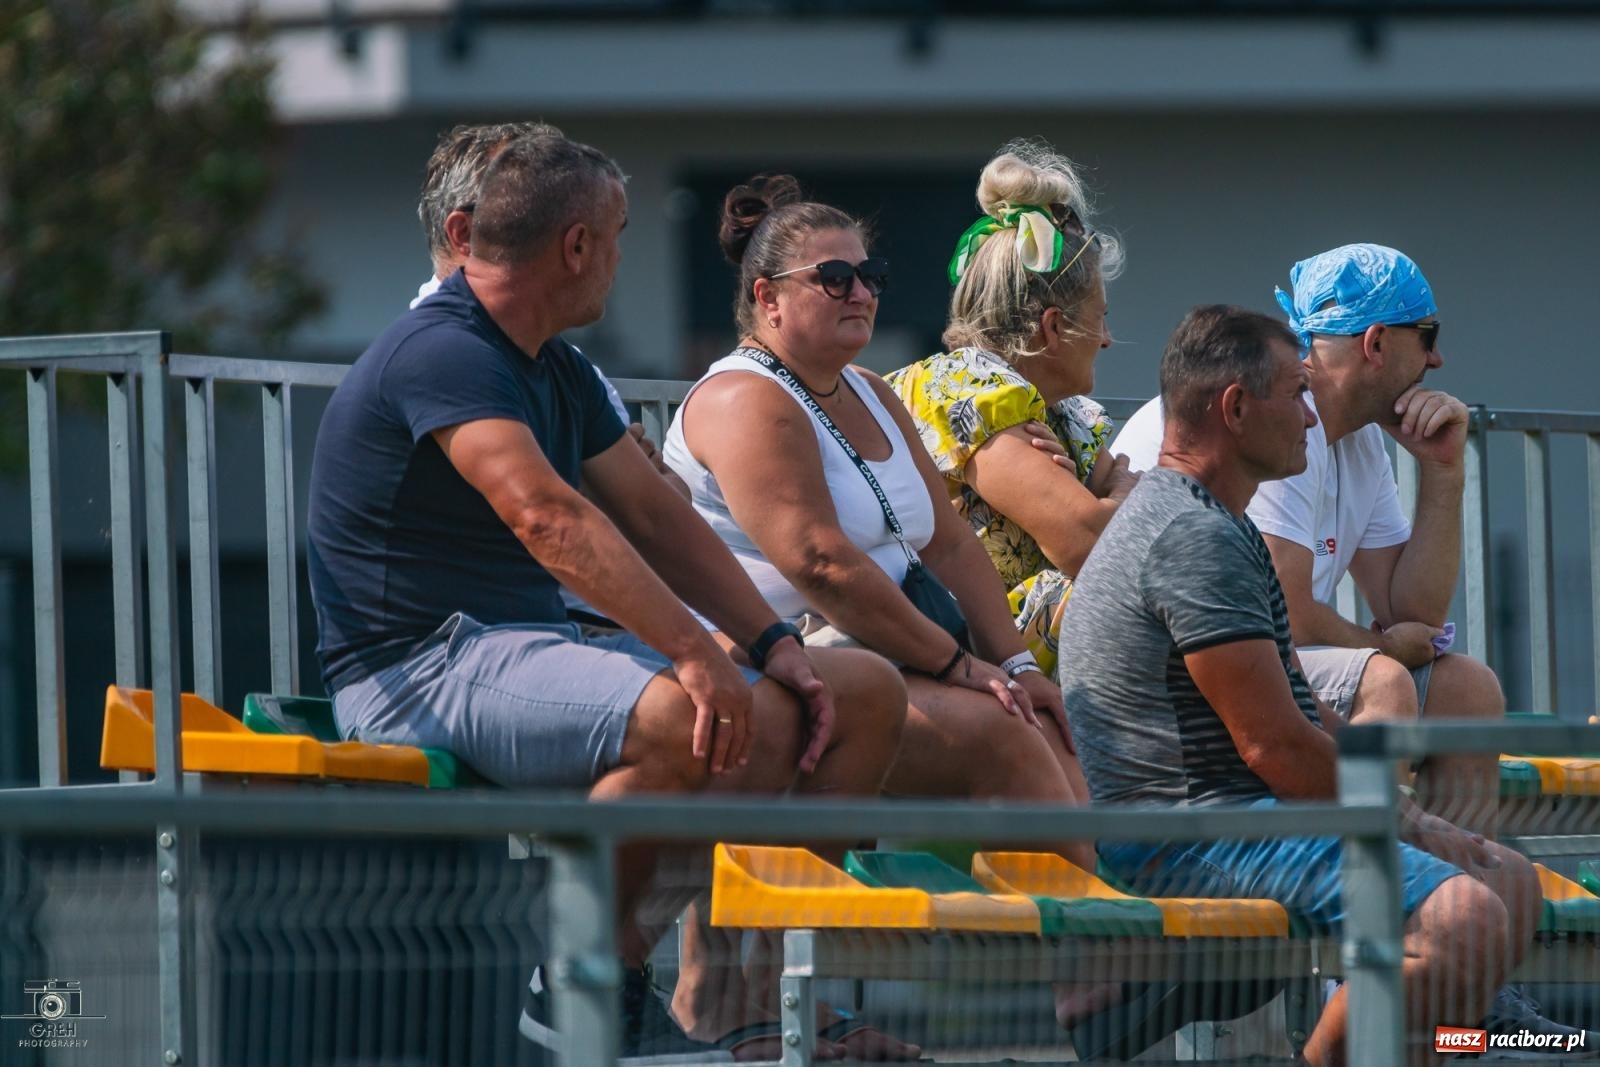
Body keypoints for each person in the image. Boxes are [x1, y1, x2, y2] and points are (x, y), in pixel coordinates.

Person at [305, 132, 907, 1061]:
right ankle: (583, 971)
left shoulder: (553, 362)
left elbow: (658, 519)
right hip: (416, 664)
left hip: (517, 646)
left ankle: (748, 999)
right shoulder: (443, 350)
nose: (623, 260)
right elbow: (547, 517)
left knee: (849, 693)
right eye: (618, 237)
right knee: (684, 715)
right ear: (577, 247)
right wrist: (697, 653)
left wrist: (767, 641)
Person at [1061, 304, 1591, 1064]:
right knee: (1465, 911)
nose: (1313, 417)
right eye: (1294, 393)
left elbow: (1304, 717)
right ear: (1236, 410)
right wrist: (1412, 824)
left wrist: (1420, 820)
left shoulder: (1225, 524)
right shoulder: (1193, 537)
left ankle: (1456, 1048)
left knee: (1506, 877)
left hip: (1241, 817)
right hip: (1184, 838)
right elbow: (1274, 746)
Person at [663, 173, 1105, 1037]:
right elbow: (818, 562)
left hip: (867, 655)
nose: (861, 291)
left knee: (1044, 724)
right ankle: (1098, 991)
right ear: (767, 299)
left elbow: (946, 543)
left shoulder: (869, 391)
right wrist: (962, 666)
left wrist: (1013, 659)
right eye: (834, 278)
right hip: (770, 663)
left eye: (871, 275)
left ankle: (765, 1001)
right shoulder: (743, 396)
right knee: (1005, 740)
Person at [1110, 244, 1505, 839]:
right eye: (1427, 335)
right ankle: (1384, 897)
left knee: (1468, 690)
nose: (1439, 357)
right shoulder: (1281, 420)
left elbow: (1412, 616)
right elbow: (1288, 617)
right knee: (1383, 682)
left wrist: (1444, 472)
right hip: (1176, 673)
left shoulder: (1359, 437)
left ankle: (1454, 878)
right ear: (1375, 343)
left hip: (1259, 657)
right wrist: (1390, 653)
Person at [887, 141, 1138, 681]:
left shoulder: (1067, 416)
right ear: (1053, 327)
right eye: (1101, 320)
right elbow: (1094, 550)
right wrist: (1120, 494)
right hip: (960, 649)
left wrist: (1107, 509)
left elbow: (1127, 542)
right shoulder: (963, 387)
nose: (1109, 340)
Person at [412, 120, 685, 500]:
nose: (581, 246)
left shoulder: (563, 362)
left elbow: (661, 505)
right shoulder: (439, 353)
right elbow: (546, 519)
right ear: (463, 234)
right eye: (533, 214)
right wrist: (595, 477)